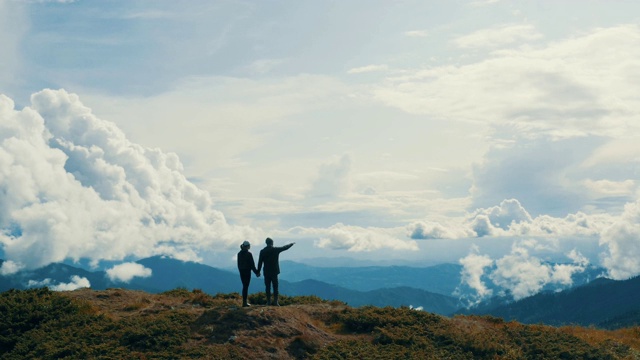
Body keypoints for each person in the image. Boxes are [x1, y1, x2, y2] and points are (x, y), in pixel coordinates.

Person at [257, 237, 294, 306]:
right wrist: (291, 244)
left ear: (266, 243)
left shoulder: (262, 251)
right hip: (274, 271)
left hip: (266, 272)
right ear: (272, 243)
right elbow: (284, 247)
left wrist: (258, 272)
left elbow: (260, 262)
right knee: (275, 287)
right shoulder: (275, 249)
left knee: (267, 287)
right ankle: (276, 302)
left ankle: (268, 302)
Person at [237, 240, 260, 307]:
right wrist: (256, 272)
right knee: (246, 286)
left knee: (244, 286)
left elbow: (238, 264)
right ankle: (244, 303)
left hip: (241, 272)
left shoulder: (239, 254)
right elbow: (252, 265)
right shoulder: (249, 254)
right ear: (247, 246)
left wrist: (240, 270)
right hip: (247, 272)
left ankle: (244, 302)